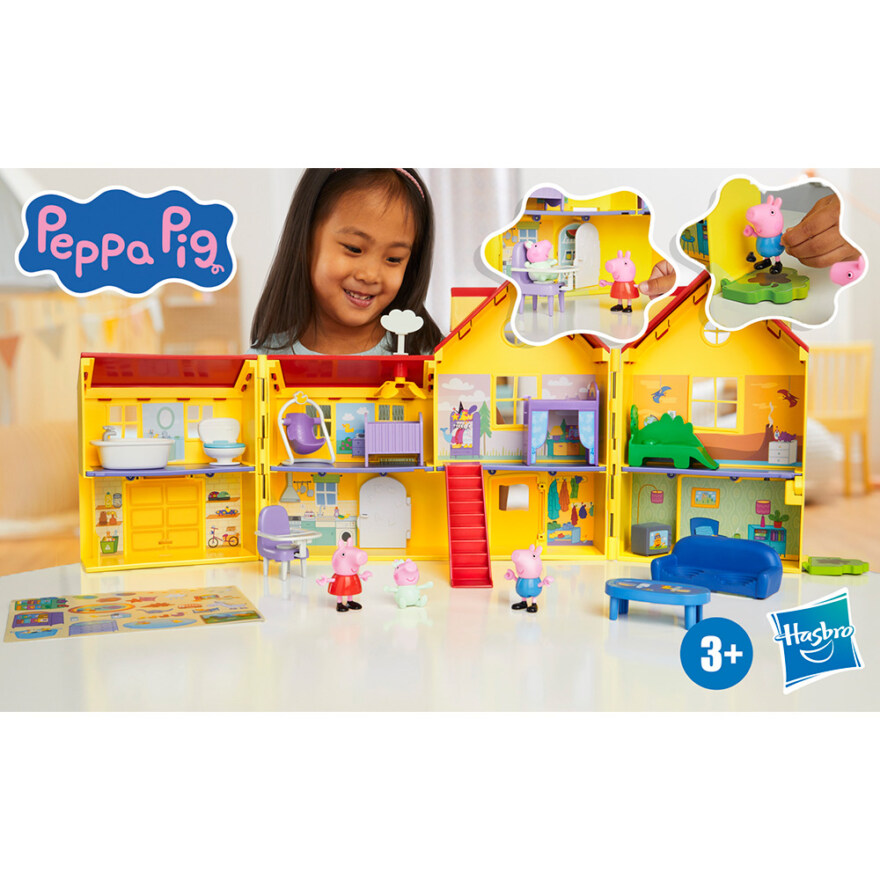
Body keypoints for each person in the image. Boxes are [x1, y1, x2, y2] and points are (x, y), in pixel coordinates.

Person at [249, 169, 442, 356]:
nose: (370, 275)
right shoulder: (259, 363)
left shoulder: (435, 359)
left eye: (393, 259)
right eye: (354, 248)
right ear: (306, 239)